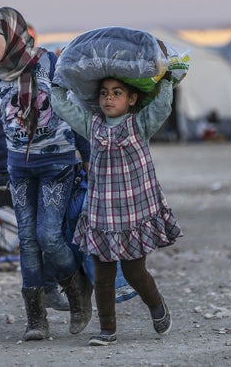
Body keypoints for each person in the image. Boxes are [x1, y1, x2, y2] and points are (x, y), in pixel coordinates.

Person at [0, 7, 92, 341]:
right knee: (26, 240)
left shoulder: (52, 66)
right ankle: (36, 319)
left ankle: (78, 290)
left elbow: (77, 113)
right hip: (20, 170)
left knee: (48, 235)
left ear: (10, 36)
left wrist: (91, 160)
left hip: (58, 164)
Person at [52, 73, 182, 347]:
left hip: (132, 215)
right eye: (104, 93)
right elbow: (63, 107)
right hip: (101, 214)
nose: (108, 98)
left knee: (135, 273)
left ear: (132, 99)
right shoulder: (92, 125)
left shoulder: (140, 124)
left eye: (116, 93)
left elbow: (161, 107)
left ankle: (156, 304)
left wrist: (168, 80)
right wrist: (58, 85)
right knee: (102, 276)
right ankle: (107, 330)